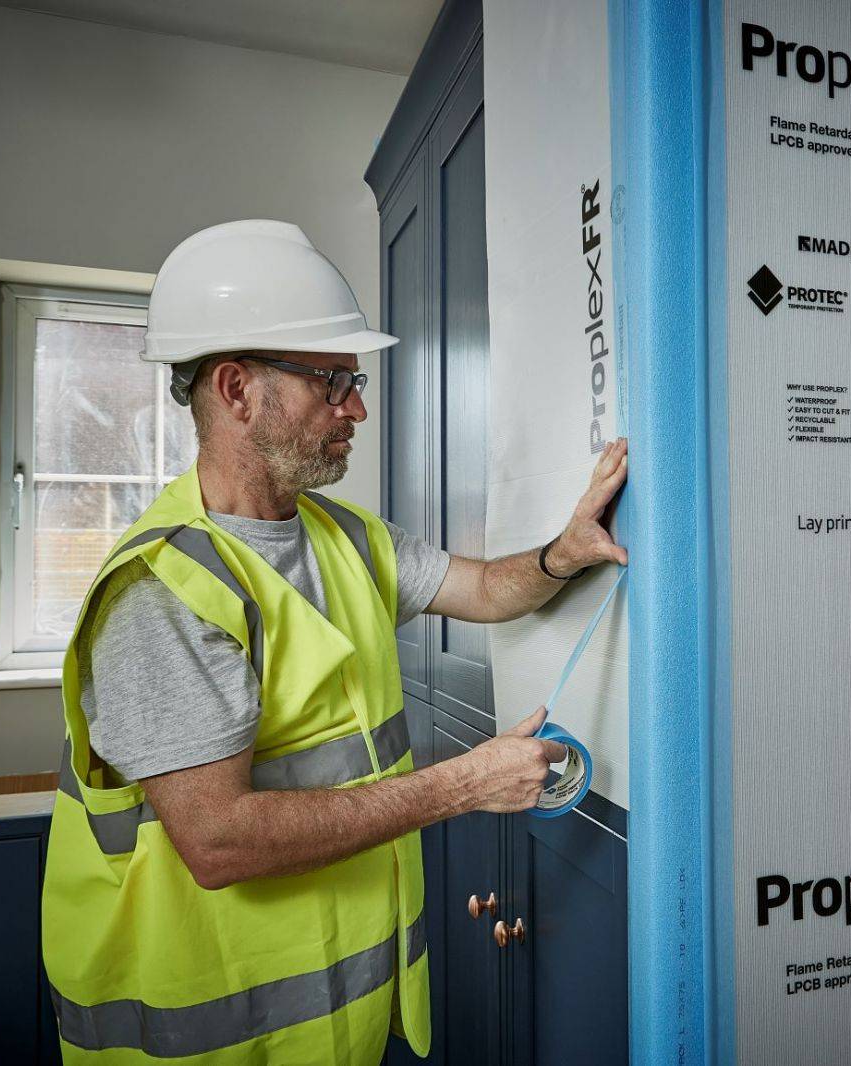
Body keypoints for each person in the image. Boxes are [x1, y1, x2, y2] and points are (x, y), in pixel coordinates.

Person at [41, 219, 628, 1064]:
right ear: (237, 390)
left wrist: (561, 554)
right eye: (332, 381)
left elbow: (484, 590)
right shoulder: (161, 592)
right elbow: (218, 841)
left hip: (335, 1027)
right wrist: (465, 783)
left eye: (354, 381)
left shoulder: (345, 536)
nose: (357, 407)